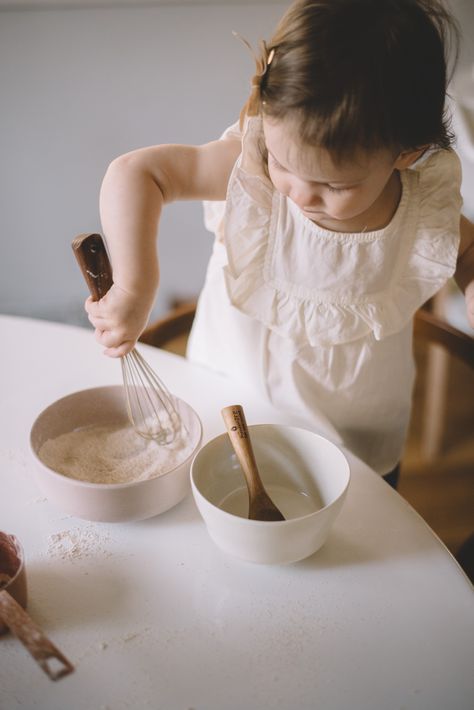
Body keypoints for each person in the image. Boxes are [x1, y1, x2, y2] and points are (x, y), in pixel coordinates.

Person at [85, 0, 474, 485]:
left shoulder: (421, 211)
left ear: (405, 152)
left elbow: (467, 252)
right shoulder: (250, 173)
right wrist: (135, 286)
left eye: (335, 186)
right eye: (282, 162)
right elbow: (138, 173)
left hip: (354, 449)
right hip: (224, 414)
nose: (298, 191)